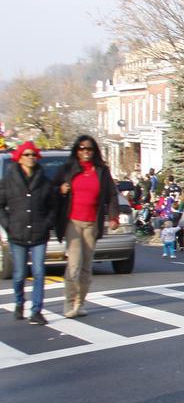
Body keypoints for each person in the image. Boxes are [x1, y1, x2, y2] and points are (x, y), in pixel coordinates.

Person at [53, 135, 119, 319]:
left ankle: (80, 303)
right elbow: (52, 189)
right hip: (72, 222)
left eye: (89, 149)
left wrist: (114, 217)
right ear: (76, 151)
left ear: (94, 151)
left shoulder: (101, 171)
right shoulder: (68, 169)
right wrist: (60, 190)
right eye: (81, 149)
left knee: (86, 266)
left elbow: (112, 195)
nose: (85, 152)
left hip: (92, 224)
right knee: (74, 264)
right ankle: (69, 302)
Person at [0, 142, 55, 325]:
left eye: (33, 155)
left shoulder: (43, 181)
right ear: (19, 157)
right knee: (19, 274)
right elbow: (1, 206)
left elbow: (52, 207)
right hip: (18, 233)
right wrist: (8, 224)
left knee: (39, 272)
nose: (31, 158)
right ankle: (18, 302)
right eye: (27, 154)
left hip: (39, 234)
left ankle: (36, 310)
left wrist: (47, 223)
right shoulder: (8, 181)